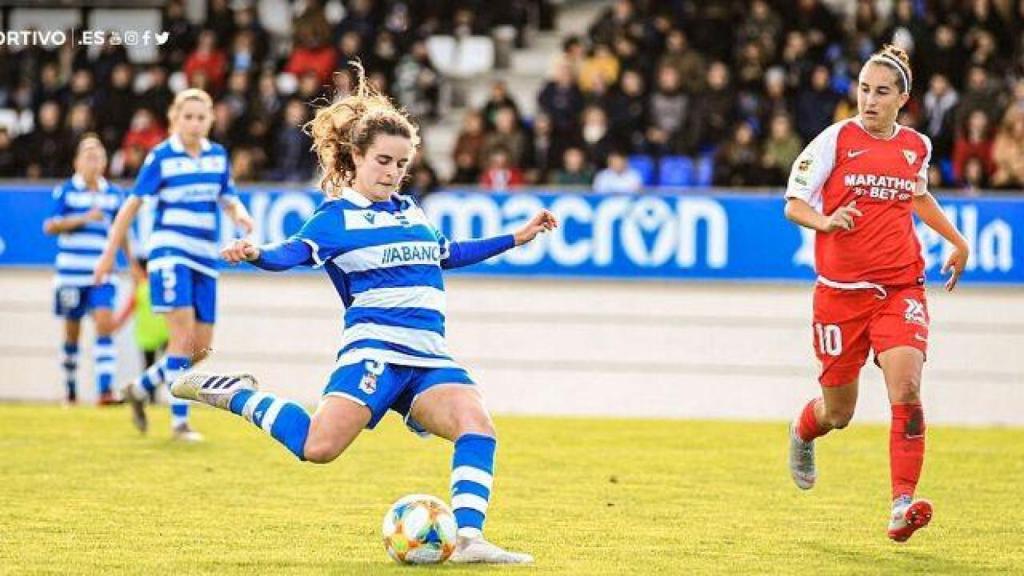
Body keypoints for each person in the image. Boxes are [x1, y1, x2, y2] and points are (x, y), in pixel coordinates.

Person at [170, 66, 556, 564]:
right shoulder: (335, 217)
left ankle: (469, 539)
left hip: (428, 355)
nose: (393, 172)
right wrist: (255, 252)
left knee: (476, 423)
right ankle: (238, 394)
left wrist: (515, 237)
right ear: (355, 156)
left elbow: (449, 252)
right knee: (318, 446)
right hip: (374, 351)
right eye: (383, 161)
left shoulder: (410, 211)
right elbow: (291, 252)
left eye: (401, 163)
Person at [783, 45, 969, 543]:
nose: (869, 100)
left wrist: (955, 239)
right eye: (864, 89)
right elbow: (794, 202)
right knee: (838, 413)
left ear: (902, 99)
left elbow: (918, 194)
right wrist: (825, 220)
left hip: (899, 288)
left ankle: (901, 506)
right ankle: (804, 431)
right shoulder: (834, 140)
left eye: (881, 92)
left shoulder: (916, 147)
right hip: (839, 296)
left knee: (907, 390)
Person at [94, 88, 255, 442]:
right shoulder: (162, 157)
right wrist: (110, 255)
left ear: (211, 119)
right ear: (174, 119)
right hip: (170, 252)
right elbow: (131, 206)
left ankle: (139, 387)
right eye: (188, 117)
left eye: (201, 117)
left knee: (202, 347)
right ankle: (180, 422)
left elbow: (228, 198)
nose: (195, 123)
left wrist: (242, 216)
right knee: (181, 336)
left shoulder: (217, 156)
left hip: (205, 255)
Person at [43, 134, 127, 405]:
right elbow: (50, 226)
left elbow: (121, 231)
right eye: (89, 156)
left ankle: (105, 391)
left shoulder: (114, 195)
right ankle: (70, 390)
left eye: (99, 156)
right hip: (71, 274)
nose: (94, 162)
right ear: (77, 162)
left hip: (101, 274)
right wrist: (83, 218)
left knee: (105, 324)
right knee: (72, 331)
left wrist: (133, 263)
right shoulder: (66, 191)